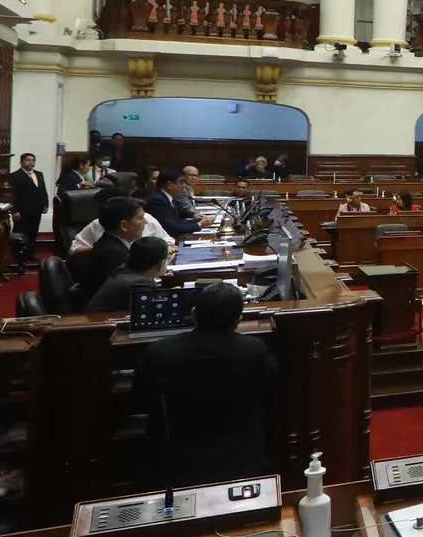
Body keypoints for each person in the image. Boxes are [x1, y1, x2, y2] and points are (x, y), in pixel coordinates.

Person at [134, 282, 278, 487]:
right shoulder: (254, 350)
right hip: (240, 460)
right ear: (238, 321)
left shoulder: (160, 351)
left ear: (194, 314)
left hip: (175, 463)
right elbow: (270, 390)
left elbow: (141, 399)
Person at [73, 197, 149, 300]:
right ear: (124, 225)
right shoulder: (114, 254)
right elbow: (130, 294)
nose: (146, 222)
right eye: (141, 218)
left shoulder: (109, 244)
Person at [86, 235, 172, 312]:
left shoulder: (122, 271)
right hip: (102, 327)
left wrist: (169, 295)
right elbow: (152, 312)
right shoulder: (141, 284)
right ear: (161, 264)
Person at [8, 152, 49, 267]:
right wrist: (14, 210)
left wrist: (45, 204)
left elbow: (42, 190)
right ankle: (17, 256)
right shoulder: (15, 176)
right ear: (21, 162)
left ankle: (29, 254)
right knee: (21, 233)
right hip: (22, 211)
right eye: (28, 160)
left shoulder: (39, 174)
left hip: (36, 209)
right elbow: (13, 195)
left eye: (33, 160)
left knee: (33, 232)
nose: (31, 162)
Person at [140, 169, 202, 238]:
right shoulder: (157, 201)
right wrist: (200, 224)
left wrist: (197, 218)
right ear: (169, 184)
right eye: (181, 182)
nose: (184, 185)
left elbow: (179, 219)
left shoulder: (167, 197)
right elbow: (173, 228)